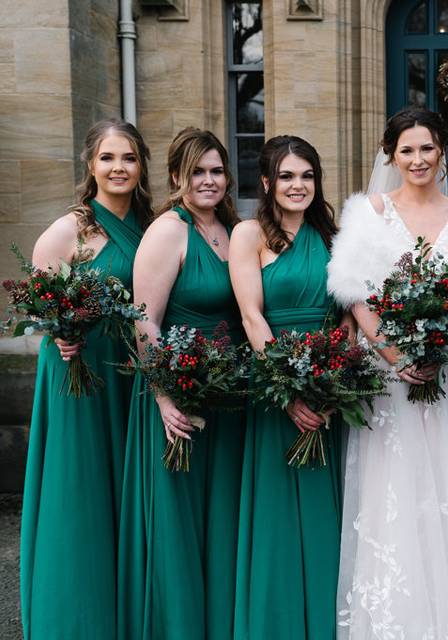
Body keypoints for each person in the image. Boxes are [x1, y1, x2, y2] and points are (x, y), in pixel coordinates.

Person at [328, 106, 448, 639]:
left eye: (427, 148)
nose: (418, 159)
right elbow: (356, 294)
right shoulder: (370, 211)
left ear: (442, 150)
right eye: (407, 150)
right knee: (392, 502)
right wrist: (397, 356)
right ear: (391, 155)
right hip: (390, 382)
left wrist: (437, 343)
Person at [20, 118, 151, 639]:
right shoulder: (71, 229)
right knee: (82, 490)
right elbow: (42, 306)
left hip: (133, 372)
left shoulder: (150, 224)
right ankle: (77, 616)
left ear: (141, 166)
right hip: (82, 373)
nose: (118, 168)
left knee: (129, 486)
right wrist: (58, 337)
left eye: (129, 158)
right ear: (90, 165)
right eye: (108, 158)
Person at [117, 128, 243, 640]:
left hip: (230, 396)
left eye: (217, 170)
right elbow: (143, 321)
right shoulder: (169, 230)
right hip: (180, 400)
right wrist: (165, 397)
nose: (209, 180)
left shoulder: (232, 228)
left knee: (223, 520)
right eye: (198, 172)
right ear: (176, 177)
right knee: (181, 525)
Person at [229, 135, 343, 639]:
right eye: (289, 176)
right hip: (276, 386)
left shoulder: (335, 236)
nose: (299, 186)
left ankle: (326, 621)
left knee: (328, 512)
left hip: (330, 387)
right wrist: (290, 389)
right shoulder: (249, 234)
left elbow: (347, 315)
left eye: (308, 176)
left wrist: (335, 382)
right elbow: (252, 316)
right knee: (277, 517)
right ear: (269, 182)